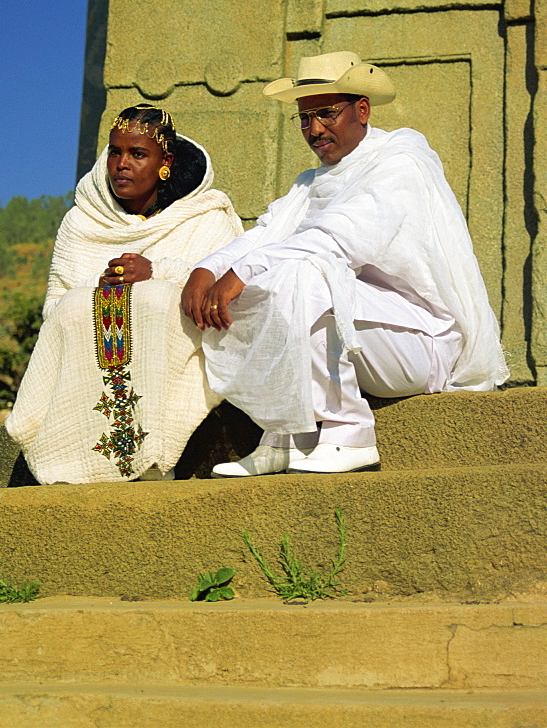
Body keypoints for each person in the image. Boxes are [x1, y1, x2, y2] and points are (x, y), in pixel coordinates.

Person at [181, 51, 508, 477]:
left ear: (363, 110)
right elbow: (266, 235)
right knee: (266, 278)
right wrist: (205, 270)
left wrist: (240, 273)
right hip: (360, 335)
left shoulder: (399, 162)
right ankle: (286, 436)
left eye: (327, 113)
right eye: (304, 118)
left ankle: (349, 431)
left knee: (303, 270)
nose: (314, 129)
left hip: (418, 343)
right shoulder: (311, 182)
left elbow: (339, 238)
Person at [5, 104, 242, 483]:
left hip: (179, 352)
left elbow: (224, 293)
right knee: (77, 307)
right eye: (115, 152)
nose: (122, 164)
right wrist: (96, 290)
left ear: (165, 161)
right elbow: (54, 308)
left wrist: (158, 273)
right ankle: (70, 461)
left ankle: (149, 457)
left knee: (155, 300)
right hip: (91, 356)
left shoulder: (204, 217)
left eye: (138, 154)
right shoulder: (82, 222)